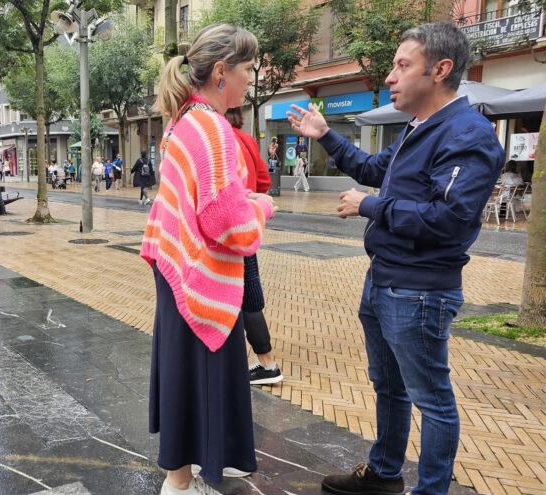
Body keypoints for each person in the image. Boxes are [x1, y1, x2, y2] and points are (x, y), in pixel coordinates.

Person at [287, 21, 504, 495]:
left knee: (433, 400)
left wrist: (371, 205)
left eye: (403, 65)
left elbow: (449, 219)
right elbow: (371, 168)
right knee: (389, 386)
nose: (390, 76)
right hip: (384, 280)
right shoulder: (417, 128)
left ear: (440, 70)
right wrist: (325, 135)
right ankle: (385, 474)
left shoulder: (469, 135)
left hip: (420, 290)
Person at [143, 23, 275, 495]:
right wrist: (261, 207)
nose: (251, 79)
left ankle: (184, 475)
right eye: (247, 70)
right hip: (201, 273)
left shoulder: (184, 120)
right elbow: (228, 221)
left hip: (177, 266)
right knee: (197, 372)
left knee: (182, 372)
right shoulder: (211, 128)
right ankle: (179, 484)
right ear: (221, 72)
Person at [224, 108, 282, 385]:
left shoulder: (219, 140)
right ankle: (263, 361)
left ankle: (267, 363)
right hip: (248, 226)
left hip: (228, 230)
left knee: (239, 297)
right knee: (249, 294)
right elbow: (264, 181)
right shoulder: (246, 140)